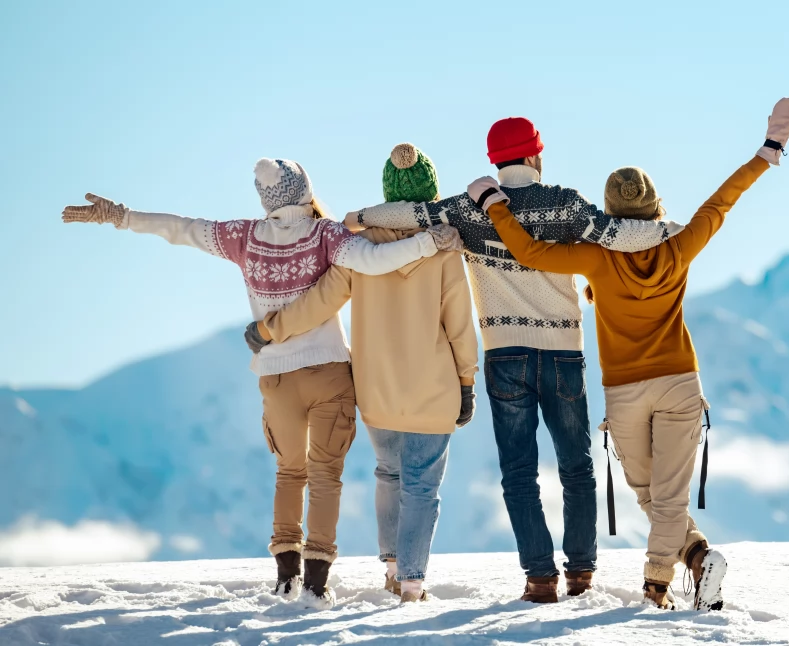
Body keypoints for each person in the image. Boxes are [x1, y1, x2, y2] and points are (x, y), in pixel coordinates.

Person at [61, 158, 462, 608]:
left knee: (289, 473)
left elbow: (184, 228)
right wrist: (430, 242)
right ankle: (316, 582)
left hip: (275, 376)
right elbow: (376, 259)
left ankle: (286, 575)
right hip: (329, 370)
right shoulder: (327, 235)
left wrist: (121, 217)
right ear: (304, 188)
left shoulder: (244, 237)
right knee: (326, 477)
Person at [466, 98, 789, 610]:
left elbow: (529, 252)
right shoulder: (679, 246)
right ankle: (698, 558)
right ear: (655, 208)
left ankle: (657, 586)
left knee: (654, 496)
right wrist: (767, 151)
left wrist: (493, 204)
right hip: (680, 385)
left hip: (623, 393)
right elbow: (721, 202)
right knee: (658, 497)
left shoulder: (596, 258)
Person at [346, 119, 683, 602]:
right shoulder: (564, 202)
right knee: (576, 466)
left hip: (504, 354)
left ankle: (539, 578)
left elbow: (409, 213)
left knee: (519, 471)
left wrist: (358, 216)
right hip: (564, 352)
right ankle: (581, 572)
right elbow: (620, 234)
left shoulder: (466, 210)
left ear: (496, 162)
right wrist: (672, 230)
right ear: (535, 157)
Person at [245, 144, 477, 604]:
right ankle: (412, 583)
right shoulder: (445, 249)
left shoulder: (360, 247)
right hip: (433, 388)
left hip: (374, 389)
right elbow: (460, 326)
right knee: (422, 485)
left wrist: (270, 329)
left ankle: (393, 571)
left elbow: (320, 302)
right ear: (428, 193)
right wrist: (467, 382)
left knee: (389, 474)